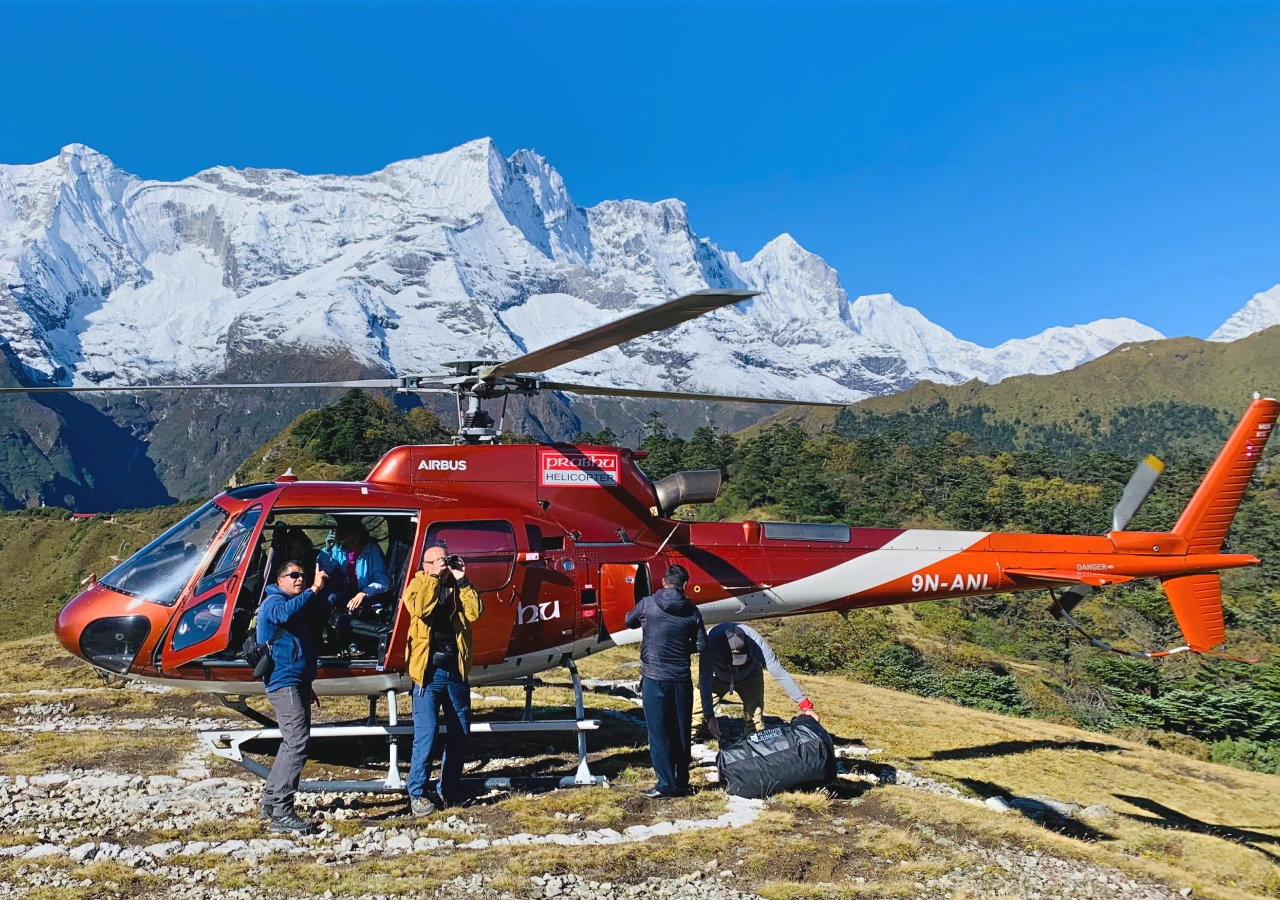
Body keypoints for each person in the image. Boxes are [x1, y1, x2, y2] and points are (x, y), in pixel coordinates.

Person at [402, 545, 483, 816]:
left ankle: (447, 791)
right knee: (427, 734)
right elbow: (419, 608)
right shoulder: (418, 583)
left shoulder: (459, 586)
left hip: (455, 671)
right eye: (436, 561)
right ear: (425, 565)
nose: (443, 564)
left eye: (445, 559)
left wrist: (463, 580)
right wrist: (434, 578)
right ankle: (417, 794)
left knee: (460, 735)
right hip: (428, 673)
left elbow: (476, 613)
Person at [256, 560, 329, 834]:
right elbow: (283, 614)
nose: (299, 579)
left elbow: (299, 647)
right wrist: (314, 589)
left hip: (295, 682)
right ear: (280, 580)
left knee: (292, 743)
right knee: (297, 743)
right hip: (283, 682)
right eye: (294, 575)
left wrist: (306, 683)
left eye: (303, 575)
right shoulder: (274, 602)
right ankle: (282, 812)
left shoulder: (290, 604)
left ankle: (270, 802)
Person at [625, 563, 707, 799]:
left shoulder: (647, 604)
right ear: (685, 584)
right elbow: (702, 644)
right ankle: (681, 782)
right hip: (680, 679)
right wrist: (682, 648)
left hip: (654, 677)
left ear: (663, 582)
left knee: (658, 732)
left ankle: (665, 784)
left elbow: (628, 621)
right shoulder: (692, 610)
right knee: (681, 731)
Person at [697, 622, 818, 739]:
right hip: (717, 678)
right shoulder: (710, 643)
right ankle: (686, 748)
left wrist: (807, 707)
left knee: (755, 720)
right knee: (695, 713)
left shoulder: (756, 642)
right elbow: (705, 680)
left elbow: (780, 673)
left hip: (749, 676)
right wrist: (709, 715)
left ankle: (754, 747)